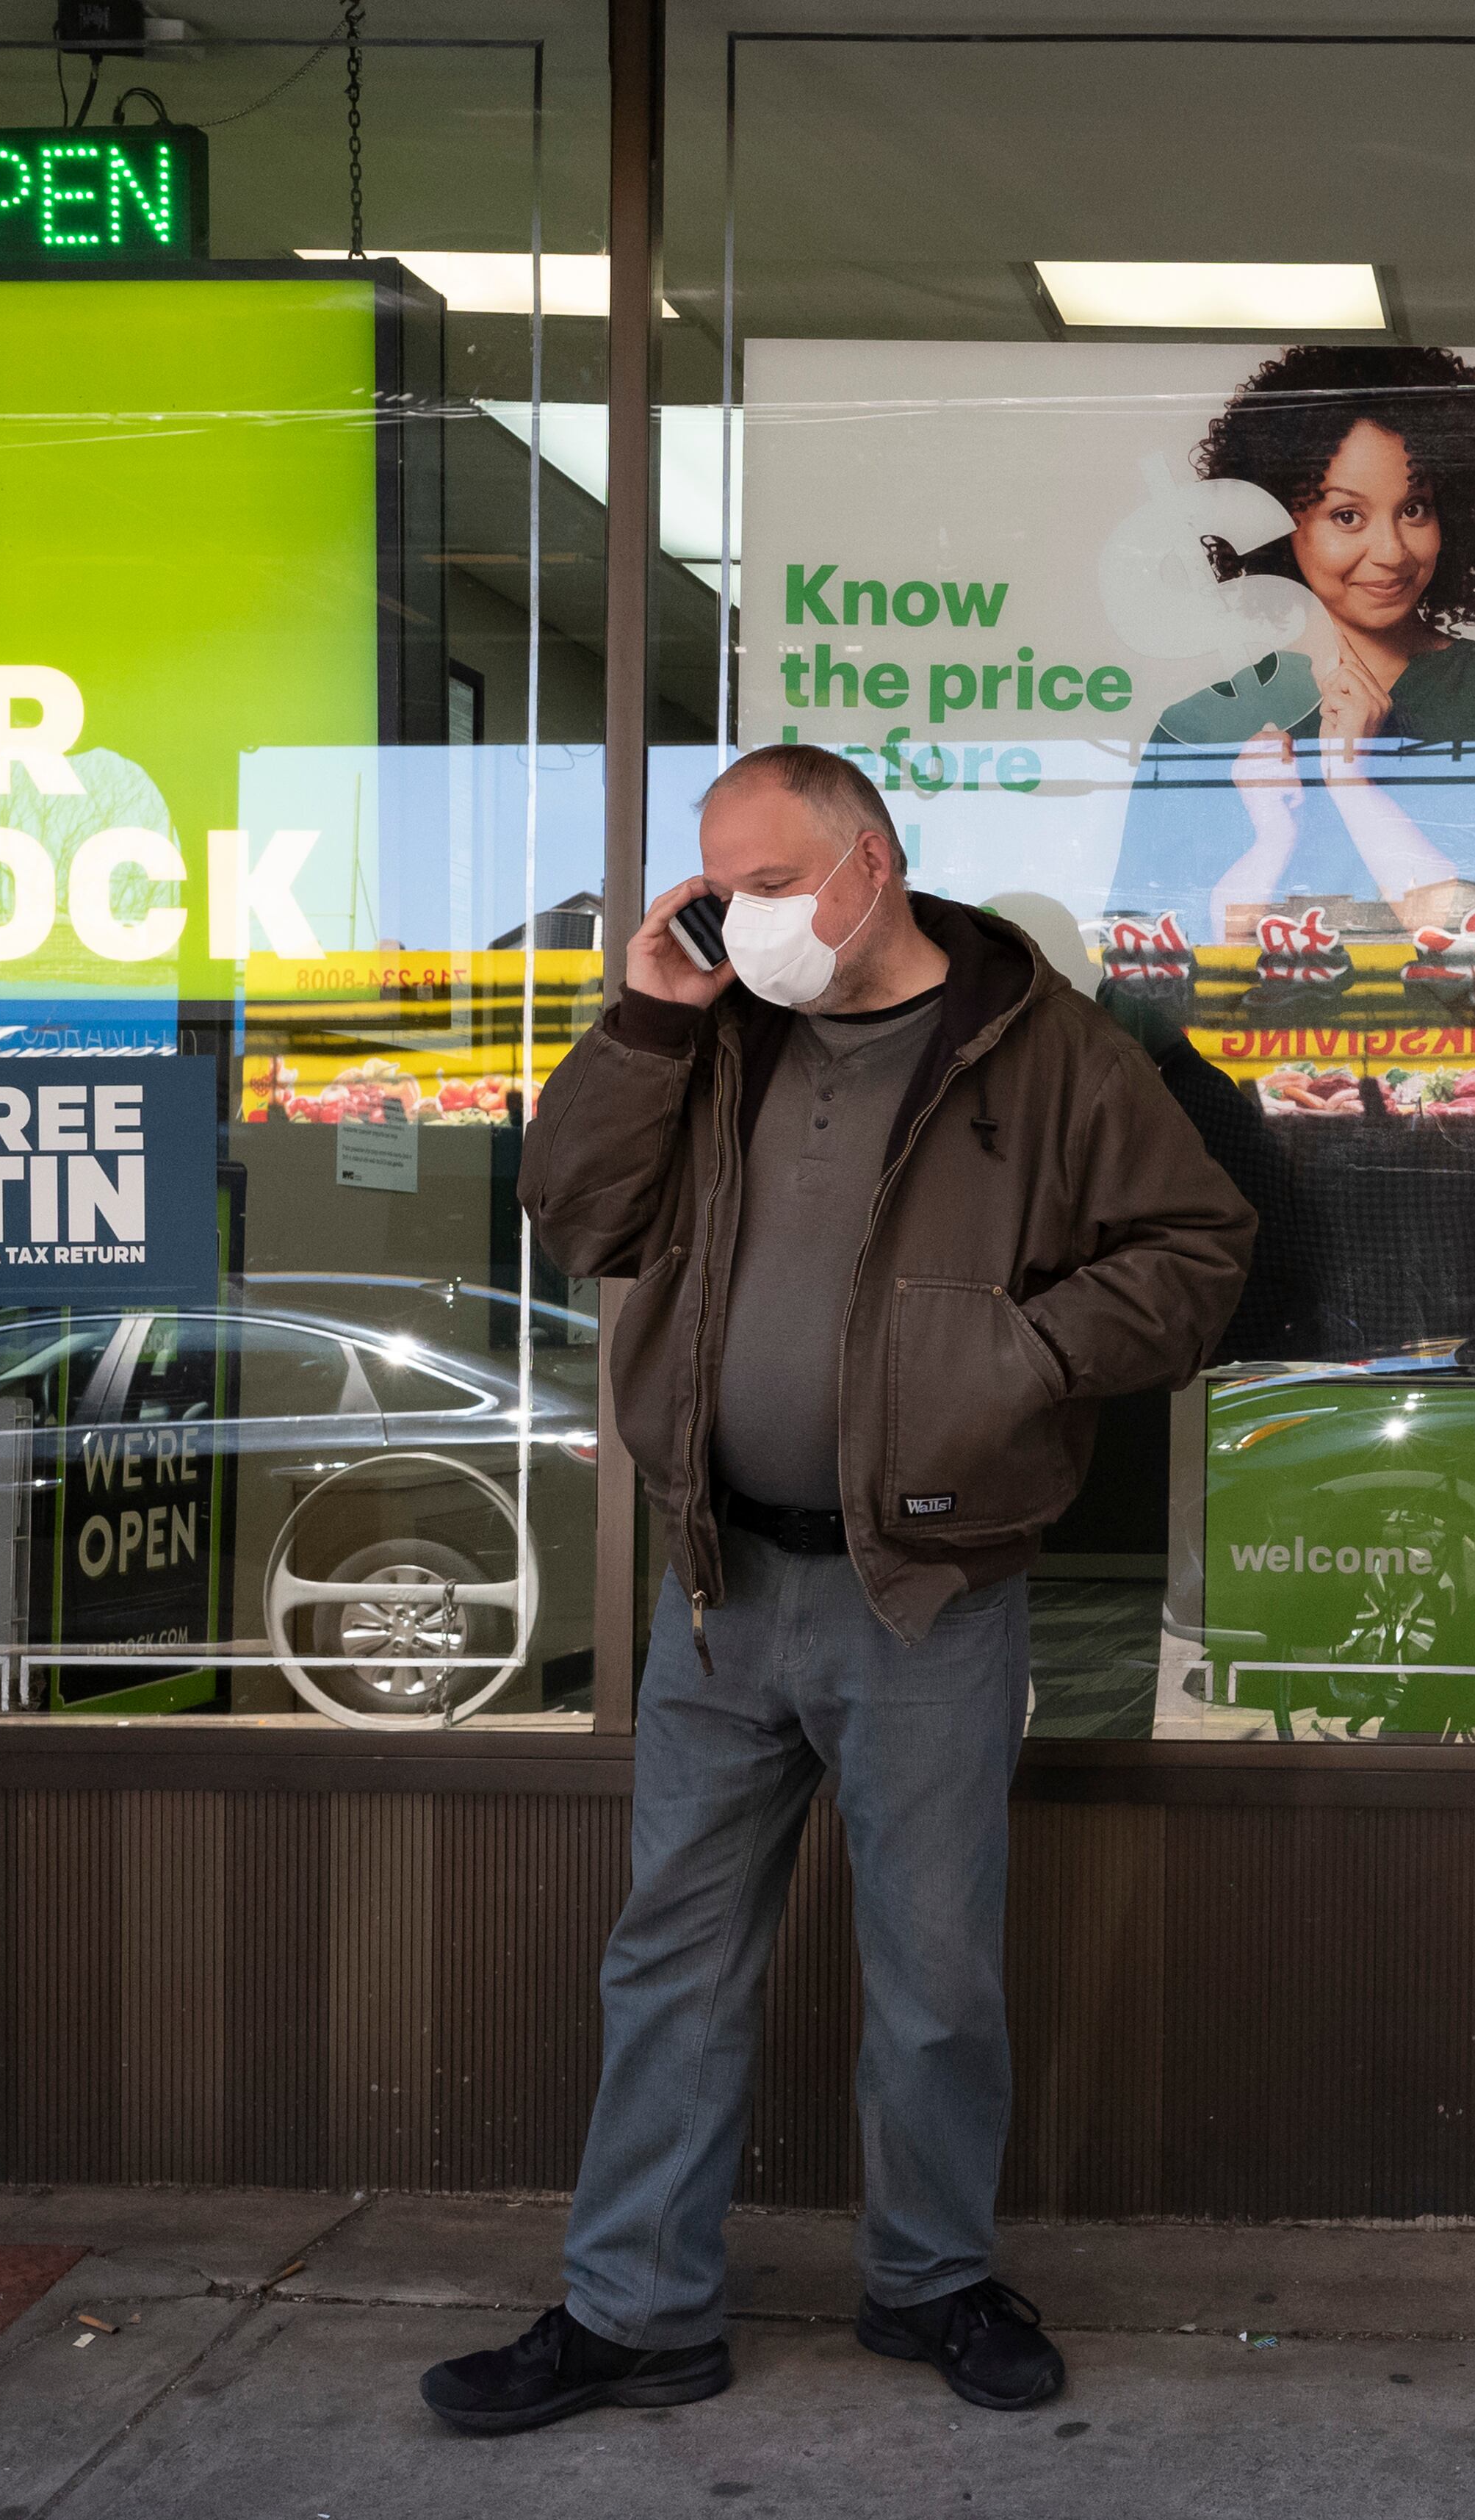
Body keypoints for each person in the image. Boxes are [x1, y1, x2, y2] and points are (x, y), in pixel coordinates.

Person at [422, 745, 1255, 2436]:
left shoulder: (1047, 1053)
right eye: (724, 885)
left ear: (871, 864)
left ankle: (930, 2282)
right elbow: (573, 1213)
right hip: (720, 1584)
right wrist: (644, 1020)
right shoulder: (710, 1033)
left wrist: (1019, 1356)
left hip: (927, 1594)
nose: (748, 916)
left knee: (935, 1976)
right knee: (670, 1961)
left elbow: (1195, 1254)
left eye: (778, 880)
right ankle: (635, 2309)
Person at [1107, 343, 1475, 945]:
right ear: (1280, 526)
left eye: (1416, 509)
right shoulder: (1200, 730)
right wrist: (1270, 845)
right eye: (1347, 516)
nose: (1392, 551)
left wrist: (1349, 782)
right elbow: (1142, 976)